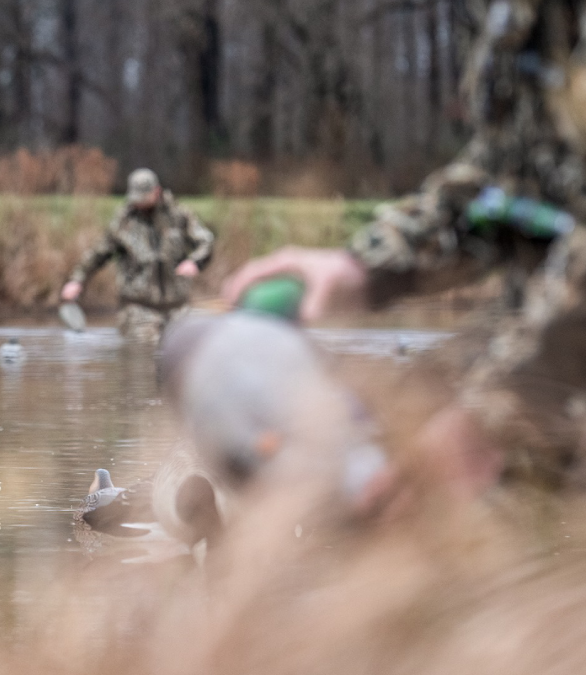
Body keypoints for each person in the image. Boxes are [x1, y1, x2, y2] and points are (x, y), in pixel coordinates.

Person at [223, 0, 586, 492]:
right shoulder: (521, 19)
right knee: (373, 431)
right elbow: (512, 179)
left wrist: (499, 408)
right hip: (541, 366)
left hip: (556, 381)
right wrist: (362, 265)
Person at [60, 168, 214, 342]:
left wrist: (195, 262)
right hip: (138, 309)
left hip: (178, 308)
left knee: (182, 354)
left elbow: (206, 242)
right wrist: (76, 281)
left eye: (143, 197)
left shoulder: (179, 216)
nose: (138, 202)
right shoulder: (123, 222)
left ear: (156, 192)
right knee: (143, 354)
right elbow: (97, 254)